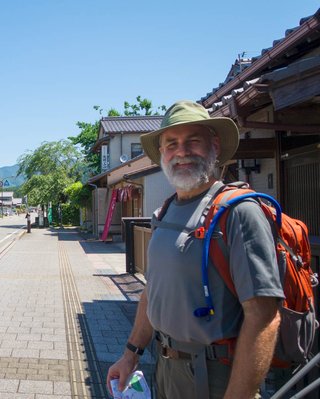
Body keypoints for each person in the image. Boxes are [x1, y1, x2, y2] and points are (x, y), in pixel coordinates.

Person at [106, 100, 283, 399]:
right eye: (171, 143)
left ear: (214, 145)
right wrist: (130, 355)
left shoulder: (239, 212)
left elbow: (264, 316)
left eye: (193, 141)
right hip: (164, 367)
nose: (182, 151)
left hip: (215, 375)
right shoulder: (165, 212)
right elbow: (153, 293)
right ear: (162, 153)